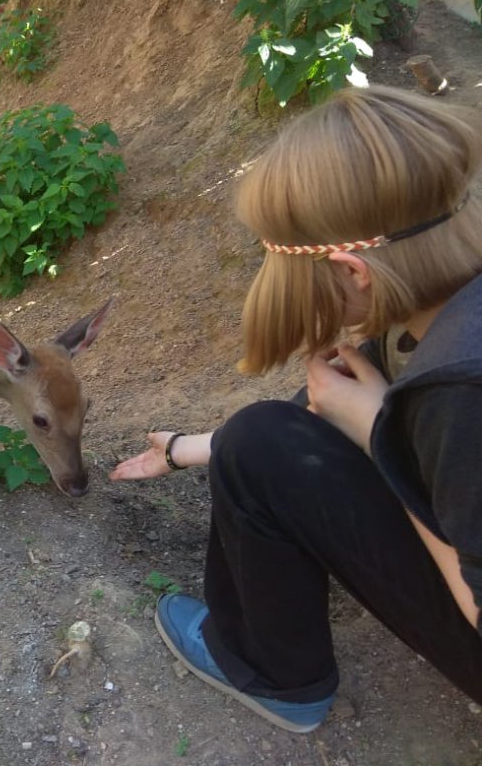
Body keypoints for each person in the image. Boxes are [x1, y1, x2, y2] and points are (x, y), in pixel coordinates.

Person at [110, 85, 482, 733]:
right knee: (305, 406)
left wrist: (376, 434)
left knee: (262, 441)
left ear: (352, 272)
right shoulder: (447, 306)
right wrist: (192, 447)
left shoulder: (459, 390)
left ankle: (274, 672)